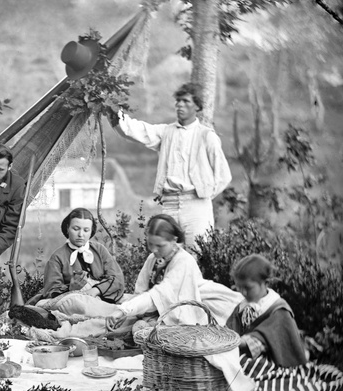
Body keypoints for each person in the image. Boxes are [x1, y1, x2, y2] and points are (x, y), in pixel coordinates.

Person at [110, 83, 232, 245]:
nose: (180, 105)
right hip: (170, 204)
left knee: (197, 254)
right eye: (178, 101)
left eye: (186, 101)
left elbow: (224, 176)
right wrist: (110, 106)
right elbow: (133, 129)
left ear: (197, 106)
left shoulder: (206, 136)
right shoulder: (166, 132)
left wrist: (203, 194)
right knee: (166, 253)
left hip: (196, 206)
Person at [227, 254, 343, 391]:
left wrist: (239, 342)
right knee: (233, 362)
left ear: (265, 283)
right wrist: (225, 338)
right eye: (239, 288)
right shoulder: (244, 305)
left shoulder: (278, 308)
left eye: (248, 288)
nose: (243, 292)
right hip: (247, 352)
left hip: (276, 359)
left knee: (248, 365)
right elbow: (230, 327)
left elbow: (266, 337)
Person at [108, 215, 241, 335]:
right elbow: (141, 291)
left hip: (199, 306)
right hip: (160, 310)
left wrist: (124, 310)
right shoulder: (152, 259)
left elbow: (159, 294)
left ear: (174, 241)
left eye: (160, 245)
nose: (154, 250)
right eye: (150, 244)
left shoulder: (184, 261)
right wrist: (129, 311)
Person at [32, 208, 126, 316]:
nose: (81, 234)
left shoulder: (99, 250)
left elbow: (117, 278)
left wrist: (95, 291)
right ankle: (106, 313)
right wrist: (71, 289)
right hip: (74, 301)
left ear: (91, 231)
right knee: (77, 305)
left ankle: (105, 311)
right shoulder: (57, 257)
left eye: (86, 230)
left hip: (101, 296)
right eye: (76, 229)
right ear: (67, 228)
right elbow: (50, 291)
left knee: (133, 301)